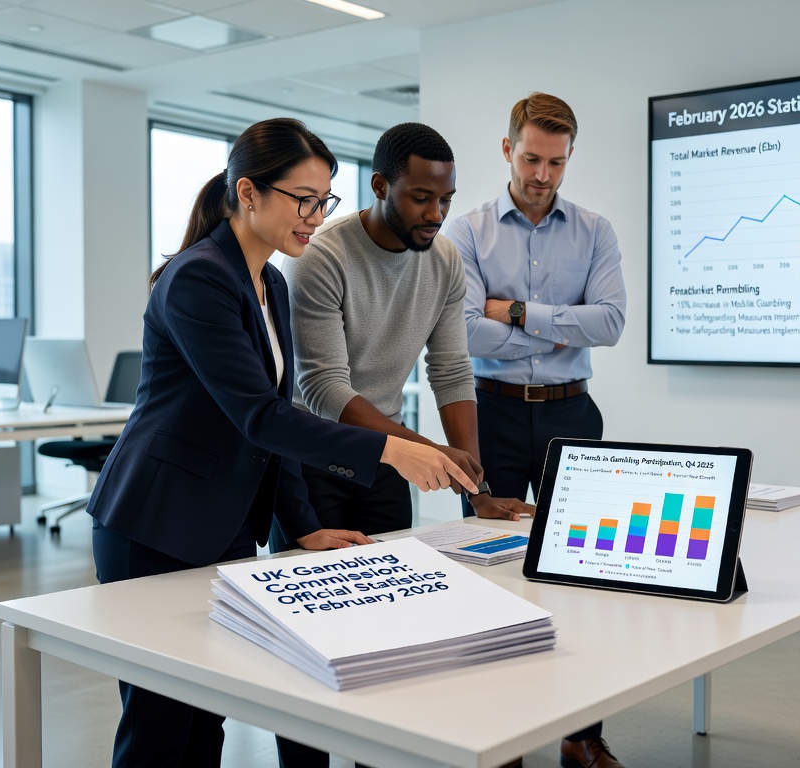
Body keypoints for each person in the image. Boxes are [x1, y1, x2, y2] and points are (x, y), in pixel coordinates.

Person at [85, 117, 475, 768]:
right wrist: (391, 449)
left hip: (222, 526)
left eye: (323, 202)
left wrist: (303, 526)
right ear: (248, 194)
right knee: (159, 733)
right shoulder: (198, 279)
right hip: (153, 526)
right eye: (303, 200)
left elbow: (274, 428)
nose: (315, 217)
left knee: (204, 723)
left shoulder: (268, 283)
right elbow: (258, 416)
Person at [272, 121, 532, 768]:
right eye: (420, 197)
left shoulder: (442, 259)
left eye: (444, 199)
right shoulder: (321, 257)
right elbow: (324, 388)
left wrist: (480, 487)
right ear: (381, 186)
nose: (435, 214)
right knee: (310, 643)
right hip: (310, 463)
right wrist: (430, 454)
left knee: (390, 635)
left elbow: (449, 370)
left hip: (384, 463)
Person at [447, 93, 628, 768]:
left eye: (555, 161)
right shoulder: (465, 231)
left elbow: (610, 324)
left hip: (571, 412)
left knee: (583, 571)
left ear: (569, 157)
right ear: (506, 149)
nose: (542, 174)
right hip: (489, 411)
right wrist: (560, 319)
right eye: (530, 158)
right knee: (485, 573)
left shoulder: (596, 231)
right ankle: (499, 735)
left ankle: (582, 733)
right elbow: (464, 329)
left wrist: (517, 312)